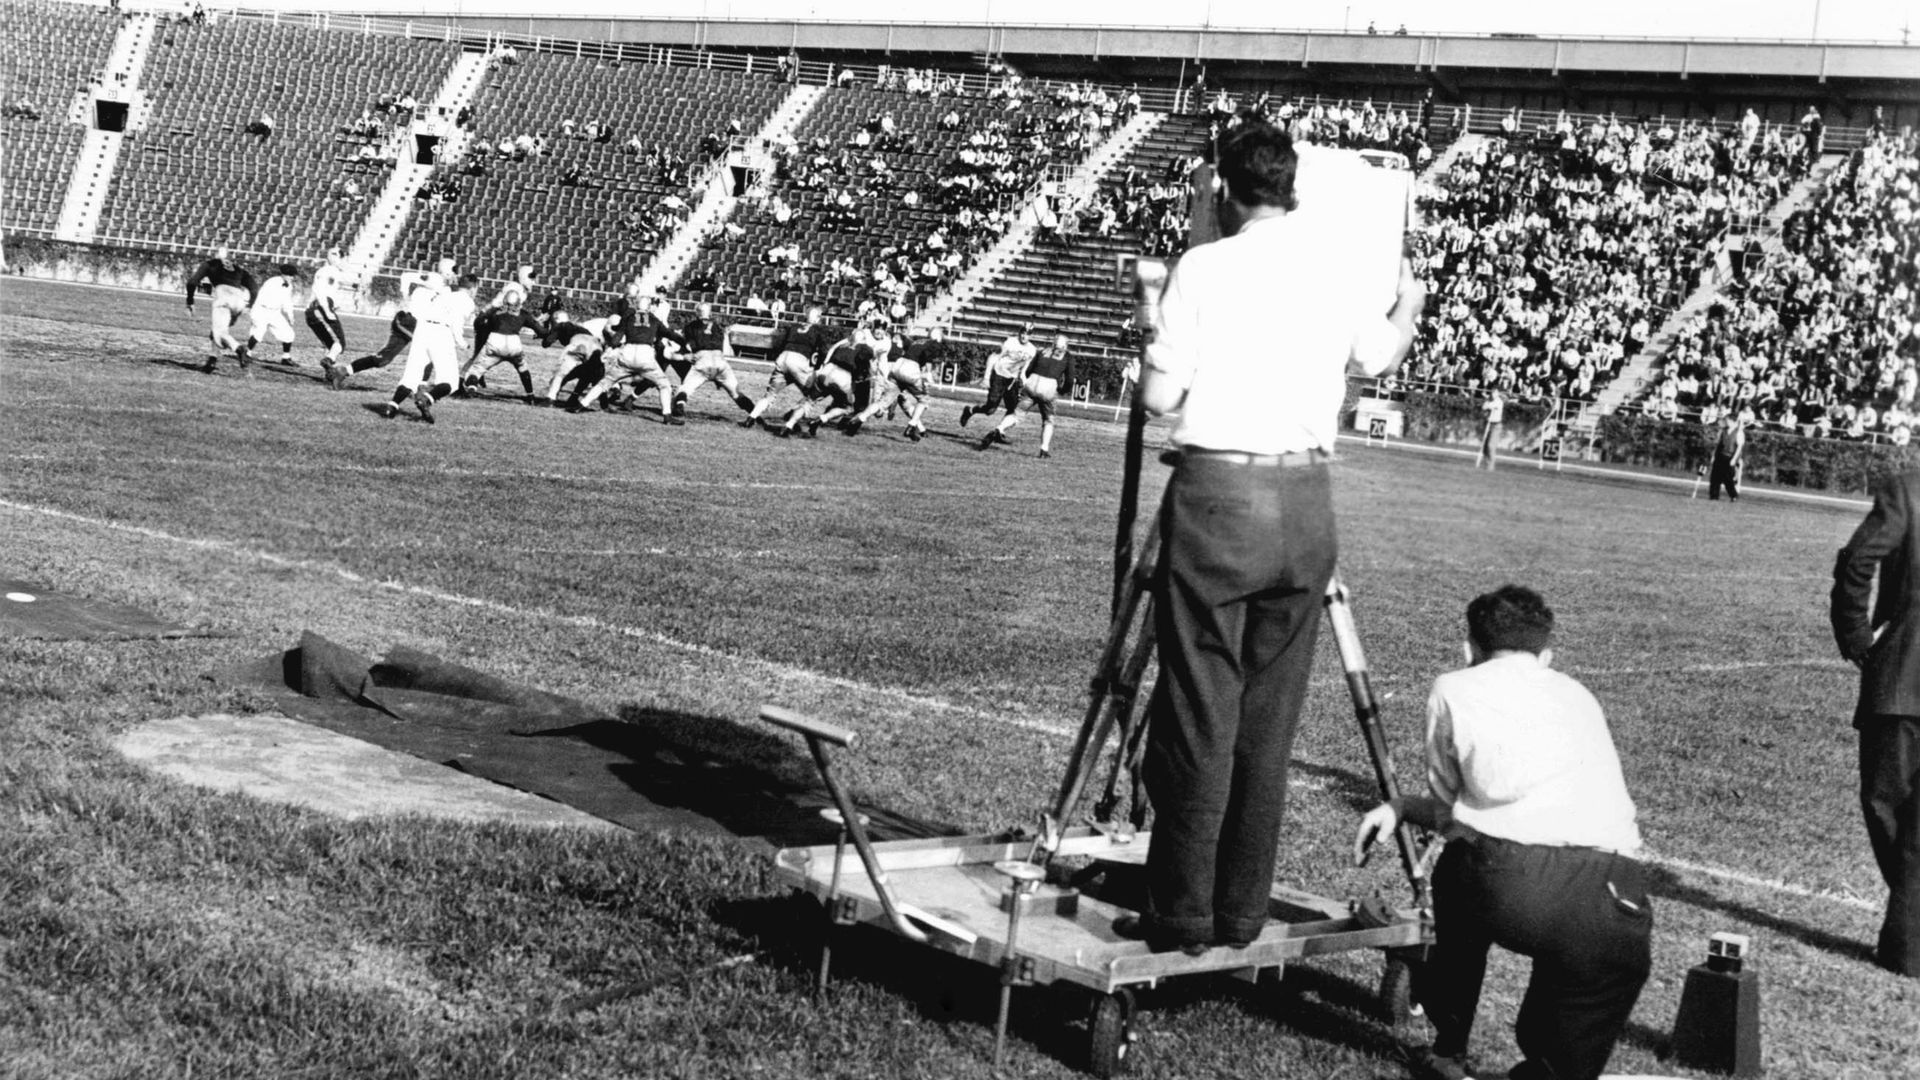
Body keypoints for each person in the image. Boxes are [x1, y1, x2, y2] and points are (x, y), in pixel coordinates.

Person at [1120, 120, 1423, 955]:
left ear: (1224, 188)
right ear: (1291, 188)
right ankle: (1240, 910)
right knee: (1268, 720)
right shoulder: (1332, 266)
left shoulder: (1205, 266)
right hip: (1308, 501)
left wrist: (1152, 315)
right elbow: (1383, 352)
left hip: (1223, 494)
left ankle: (1182, 912)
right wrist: (1410, 299)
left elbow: (1158, 397)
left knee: (1198, 709)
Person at [1354, 585, 1653, 1080]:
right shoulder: (1579, 694)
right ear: (1547, 655)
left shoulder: (1454, 687)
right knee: (1563, 1059)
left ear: (1468, 648)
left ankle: (1448, 1047)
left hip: (1511, 884)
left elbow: (1454, 816)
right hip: (1616, 898)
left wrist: (1402, 806)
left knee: (1457, 869)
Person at [1831, 470, 1920, 978]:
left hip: (1901, 679)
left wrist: (1858, 637)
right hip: (1901, 681)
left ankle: (1908, 942)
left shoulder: (1908, 488)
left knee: (1886, 806)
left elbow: (1857, 561)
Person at [982, 332, 1074, 457]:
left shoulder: (1042, 351)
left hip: (1032, 382)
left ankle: (999, 429)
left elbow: (1029, 370)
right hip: (1049, 387)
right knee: (1048, 420)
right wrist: (1061, 390)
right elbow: (1069, 380)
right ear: (1064, 346)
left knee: (1017, 414)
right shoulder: (1068, 356)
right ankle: (1044, 450)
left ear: (1053, 343)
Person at [672, 303, 757, 421]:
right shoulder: (717, 326)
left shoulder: (690, 326)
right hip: (720, 362)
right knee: (736, 393)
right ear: (710, 313)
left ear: (697, 313)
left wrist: (684, 355)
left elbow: (688, 346)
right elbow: (723, 348)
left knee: (685, 389)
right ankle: (756, 415)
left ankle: (680, 406)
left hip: (703, 360)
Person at [184, 247, 259, 375]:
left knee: (220, 332)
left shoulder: (210, 264)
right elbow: (254, 289)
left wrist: (190, 301)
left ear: (216, 255)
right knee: (218, 329)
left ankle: (239, 349)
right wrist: (249, 305)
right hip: (239, 300)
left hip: (223, 296)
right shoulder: (239, 269)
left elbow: (192, 282)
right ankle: (212, 360)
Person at [960, 323, 1037, 429]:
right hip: (999, 375)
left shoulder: (1032, 350)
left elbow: (1023, 370)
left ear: (1031, 336)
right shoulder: (1010, 342)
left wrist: (1025, 381)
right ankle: (970, 411)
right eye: (1022, 333)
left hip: (1012, 380)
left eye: (1027, 334)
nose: (1024, 336)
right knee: (990, 409)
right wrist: (986, 377)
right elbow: (993, 357)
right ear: (1019, 332)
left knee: (1014, 409)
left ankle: (999, 431)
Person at [238, 263, 303, 366]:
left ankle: (286, 358)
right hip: (261, 310)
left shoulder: (288, 286)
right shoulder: (272, 282)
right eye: (290, 275)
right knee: (259, 332)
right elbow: (263, 299)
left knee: (288, 333)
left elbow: (287, 302)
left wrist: (290, 316)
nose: (292, 278)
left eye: (293, 276)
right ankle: (247, 353)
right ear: (284, 275)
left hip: (274, 312)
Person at [308, 247, 349, 375]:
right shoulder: (328, 271)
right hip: (320, 308)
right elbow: (319, 291)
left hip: (313, 310)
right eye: (334, 254)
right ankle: (328, 361)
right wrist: (326, 309)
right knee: (340, 344)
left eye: (338, 255)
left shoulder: (332, 272)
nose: (337, 257)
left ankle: (329, 371)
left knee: (332, 344)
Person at [1708, 412, 1745, 501]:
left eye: (1728, 420)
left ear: (1733, 421)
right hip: (1720, 455)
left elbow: (1739, 447)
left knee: (1727, 478)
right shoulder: (1723, 431)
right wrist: (1714, 455)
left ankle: (1733, 495)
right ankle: (1714, 496)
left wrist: (1734, 459)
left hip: (1730, 456)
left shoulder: (1739, 432)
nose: (1726, 422)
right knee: (1715, 477)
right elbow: (1719, 444)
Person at [1476, 389, 1504, 470]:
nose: (1493, 394)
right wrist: (1487, 403)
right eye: (1492, 392)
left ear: (1498, 393)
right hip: (1488, 424)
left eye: (1495, 392)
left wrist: (1488, 404)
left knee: (1491, 445)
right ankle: (1485, 463)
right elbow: (1483, 407)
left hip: (1496, 425)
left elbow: (1490, 406)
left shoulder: (1499, 402)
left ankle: (1490, 467)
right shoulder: (1489, 400)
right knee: (1485, 446)